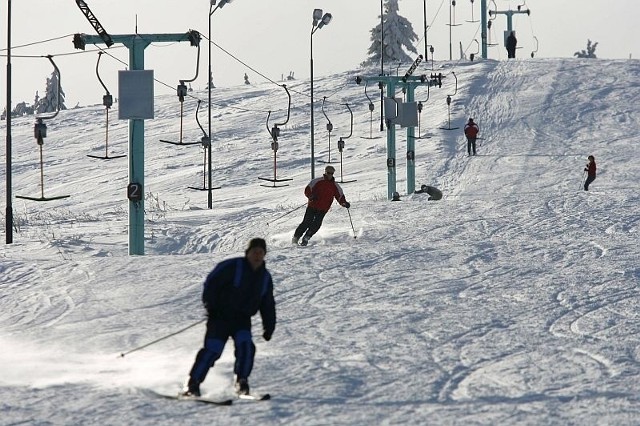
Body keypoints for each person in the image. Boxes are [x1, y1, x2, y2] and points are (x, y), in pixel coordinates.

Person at [181, 238, 276, 397]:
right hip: (220, 317)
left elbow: (267, 304)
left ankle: (242, 382)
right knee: (212, 350)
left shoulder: (265, 278)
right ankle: (193, 383)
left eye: (261, 252)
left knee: (246, 347)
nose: (257, 256)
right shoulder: (232, 266)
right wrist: (211, 307)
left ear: (265, 254)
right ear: (248, 252)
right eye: (254, 252)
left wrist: (269, 327)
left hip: (242, 320)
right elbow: (211, 284)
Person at [292, 165, 351, 246]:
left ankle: (306, 238)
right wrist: (311, 196)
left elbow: (339, 196)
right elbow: (308, 189)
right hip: (312, 206)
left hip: (323, 209)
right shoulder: (317, 181)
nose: (329, 175)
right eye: (328, 173)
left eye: (331, 173)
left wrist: (344, 203)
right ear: (325, 172)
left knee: (316, 225)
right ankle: (295, 238)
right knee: (306, 222)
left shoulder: (334, 185)